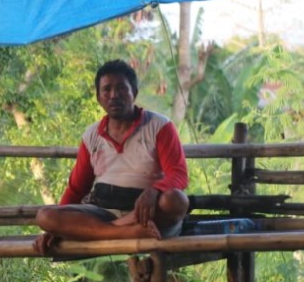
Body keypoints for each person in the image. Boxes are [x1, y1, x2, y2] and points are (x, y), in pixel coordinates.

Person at [33, 59, 189, 255]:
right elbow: (77, 188)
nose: (114, 95)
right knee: (45, 216)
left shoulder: (159, 126)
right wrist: (54, 228)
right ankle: (124, 232)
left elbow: (179, 174)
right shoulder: (92, 135)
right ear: (98, 98)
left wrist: (154, 191)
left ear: (134, 93)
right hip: (104, 213)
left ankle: (119, 230)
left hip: (147, 214)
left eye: (121, 88)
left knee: (177, 200)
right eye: (106, 90)